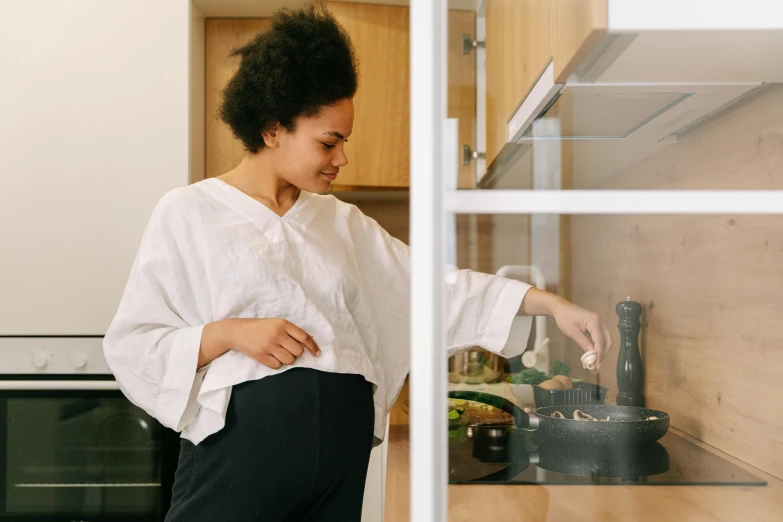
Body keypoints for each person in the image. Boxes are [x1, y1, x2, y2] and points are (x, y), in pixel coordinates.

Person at [103, 4, 612, 521]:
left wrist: (550, 304)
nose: (341, 158)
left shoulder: (342, 223)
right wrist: (230, 333)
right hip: (241, 460)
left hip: (339, 466)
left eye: (344, 140)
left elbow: (433, 289)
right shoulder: (189, 213)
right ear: (274, 128)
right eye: (329, 141)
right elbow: (134, 344)